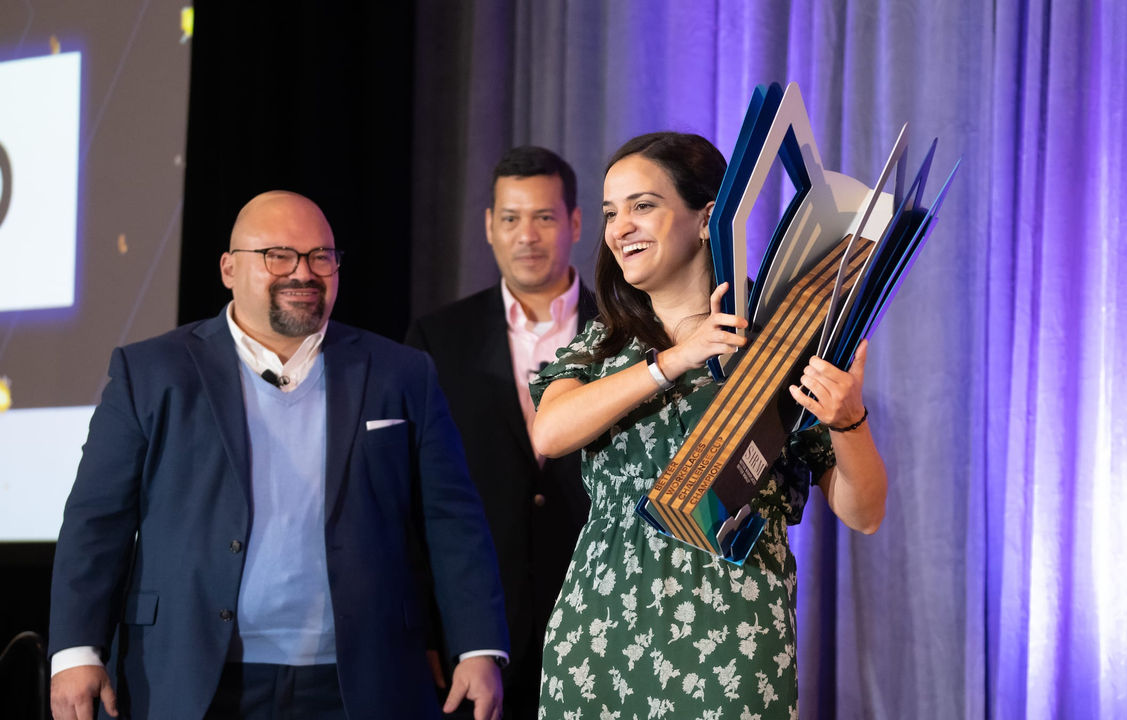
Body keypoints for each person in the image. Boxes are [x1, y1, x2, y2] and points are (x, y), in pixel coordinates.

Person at [47, 191, 508, 720]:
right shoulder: (149, 373)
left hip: (360, 680)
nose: (303, 272)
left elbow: (454, 521)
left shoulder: (402, 373)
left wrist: (476, 647)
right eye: (278, 256)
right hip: (190, 675)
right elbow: (96, 521)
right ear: (228, 269)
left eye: (320, 256)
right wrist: (77, 650)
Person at [529, 133, 888, 718]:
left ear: (707, 218)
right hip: (599, 639)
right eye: (609, 213)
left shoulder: (782, 341)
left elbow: (864, 512)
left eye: (643, 205)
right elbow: (550, 432)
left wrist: (851, 422)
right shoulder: (601, 345)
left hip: (732, 644)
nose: (620, 228)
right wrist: (672, 360)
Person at [404, 146, 593, 720]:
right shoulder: (439, 338)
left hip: (601, 617)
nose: (526, 236)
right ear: (488, 226)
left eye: (544, 217)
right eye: (510, 218)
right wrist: (429, 630)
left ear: (576, 223)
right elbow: (413, 498)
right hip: (481, 636)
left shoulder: (629, 327)